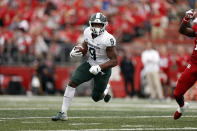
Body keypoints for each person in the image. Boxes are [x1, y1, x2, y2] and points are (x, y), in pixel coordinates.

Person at [51, 12, 118, 121]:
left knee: (96, 97)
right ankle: (63, 112)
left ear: (104, 25)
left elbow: (115, 61)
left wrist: (100, 67)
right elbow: (85, 47)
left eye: (100, 24)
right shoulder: (87, 32)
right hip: (90, 63)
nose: (97, 27)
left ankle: (105, 91)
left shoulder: (107, 39)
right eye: (95, 24)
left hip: (103, 69)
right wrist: (78, 50)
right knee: (72, 82)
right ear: (90, 24)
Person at [173, 9, 197, 120]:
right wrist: (186, 18)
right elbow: (182, 30)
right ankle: (182, 107)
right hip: (194, 64)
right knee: (177, 93)